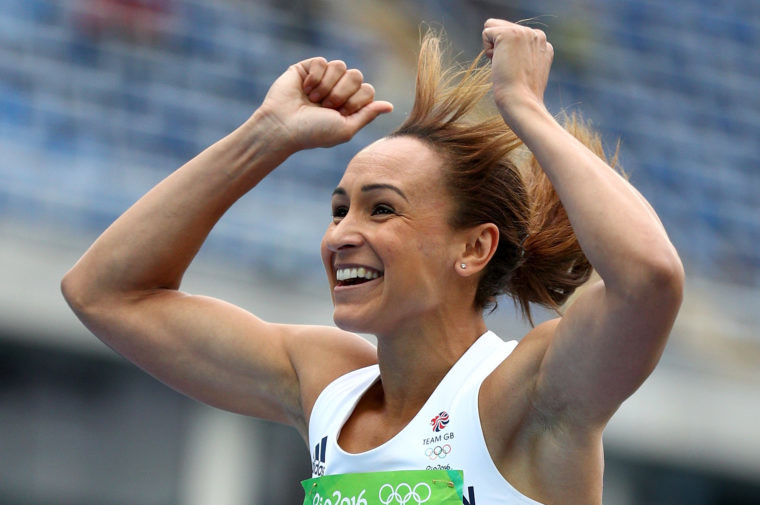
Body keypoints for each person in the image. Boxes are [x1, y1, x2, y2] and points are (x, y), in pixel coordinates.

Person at [61, 19, 684, 505]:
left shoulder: (534, 391)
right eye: (339, 210)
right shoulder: (327, 384)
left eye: (381, 210)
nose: (341, 236)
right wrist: (266, 135)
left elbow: (648, 277)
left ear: (475, 248)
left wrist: (523, 106)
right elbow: (105, 293)